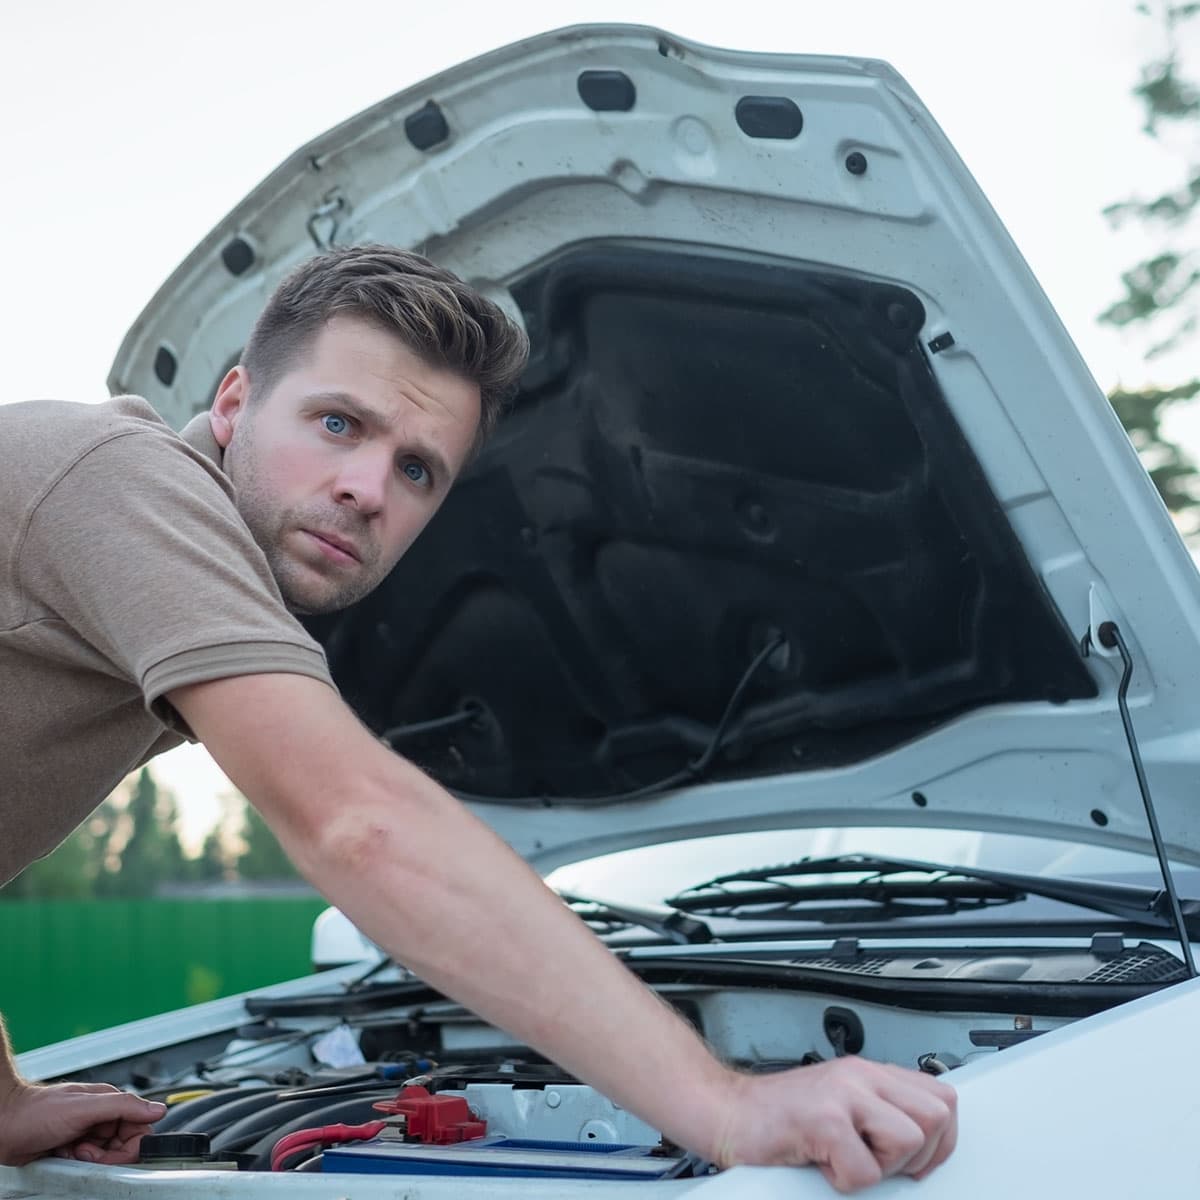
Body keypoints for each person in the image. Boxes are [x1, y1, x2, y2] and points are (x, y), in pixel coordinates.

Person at [0, 244, 956, 1192]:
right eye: (337, 422)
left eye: (416, 470)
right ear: (236, 402)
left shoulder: (138, 583)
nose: (367, 491)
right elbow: (358, 824)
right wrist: (729, 1108)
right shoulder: (123, 483)